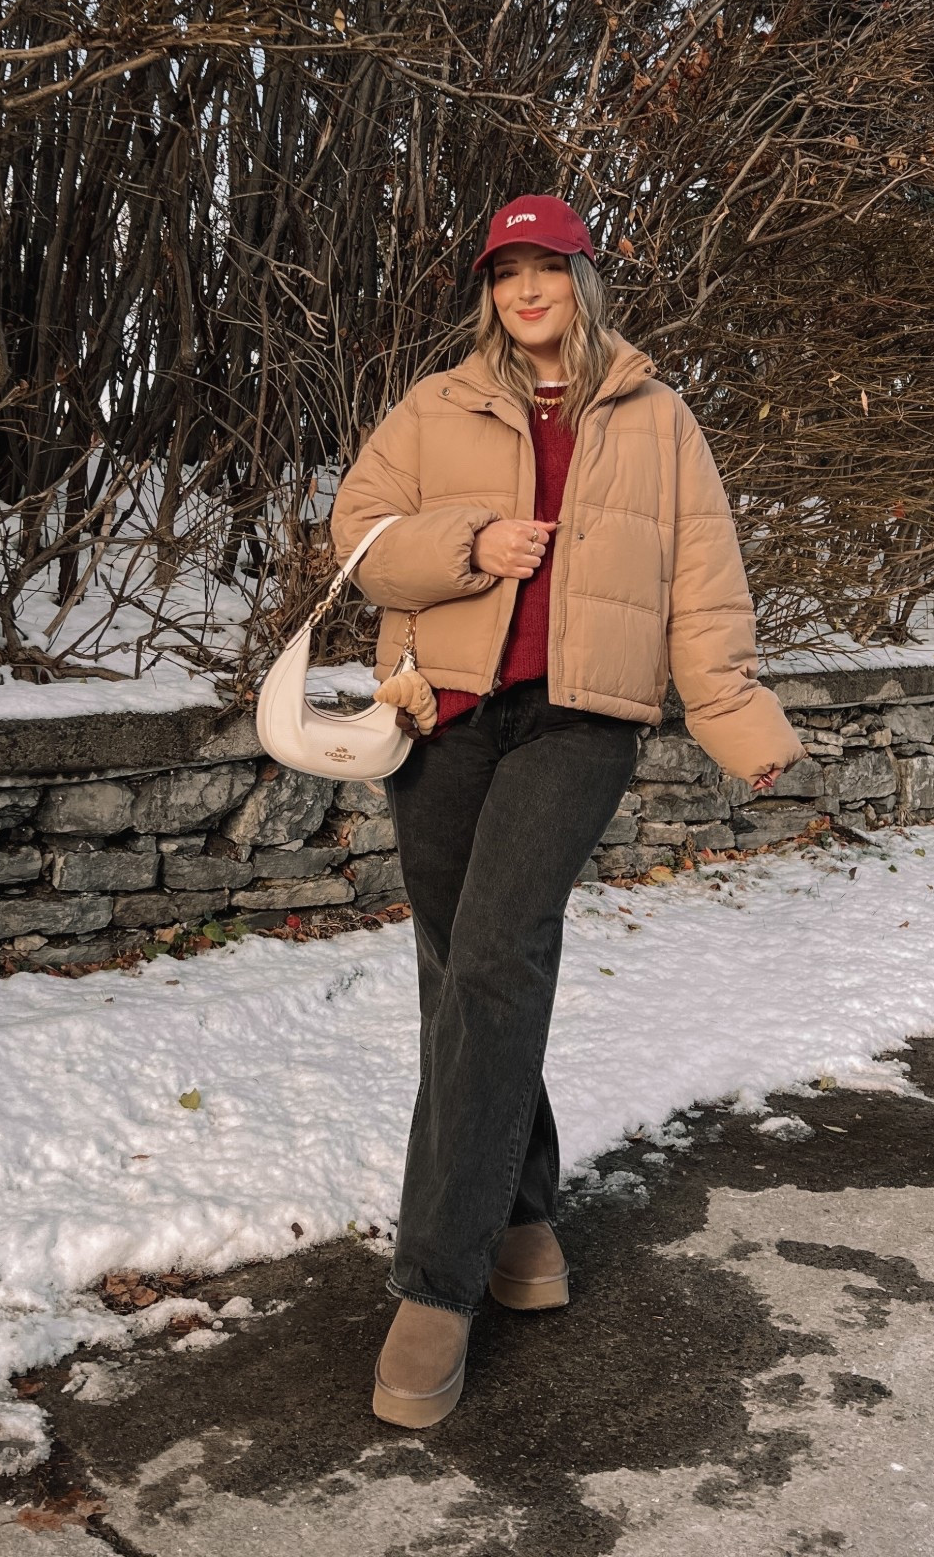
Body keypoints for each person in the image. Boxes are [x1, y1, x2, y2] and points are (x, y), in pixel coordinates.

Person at [330, 193, 803, 1429]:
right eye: (505, 272)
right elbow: (360, 541)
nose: (525, 290)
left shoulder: (658, 416)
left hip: (580, 718)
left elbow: (704, 585)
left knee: (492, 954)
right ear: (488, 291)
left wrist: (736, 718)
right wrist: (472, 541)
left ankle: (437, 1283)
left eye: (547, 267)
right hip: (442, 708)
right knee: (460, 970)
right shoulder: (437, 405)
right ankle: (526, 1216)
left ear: (582, 279)